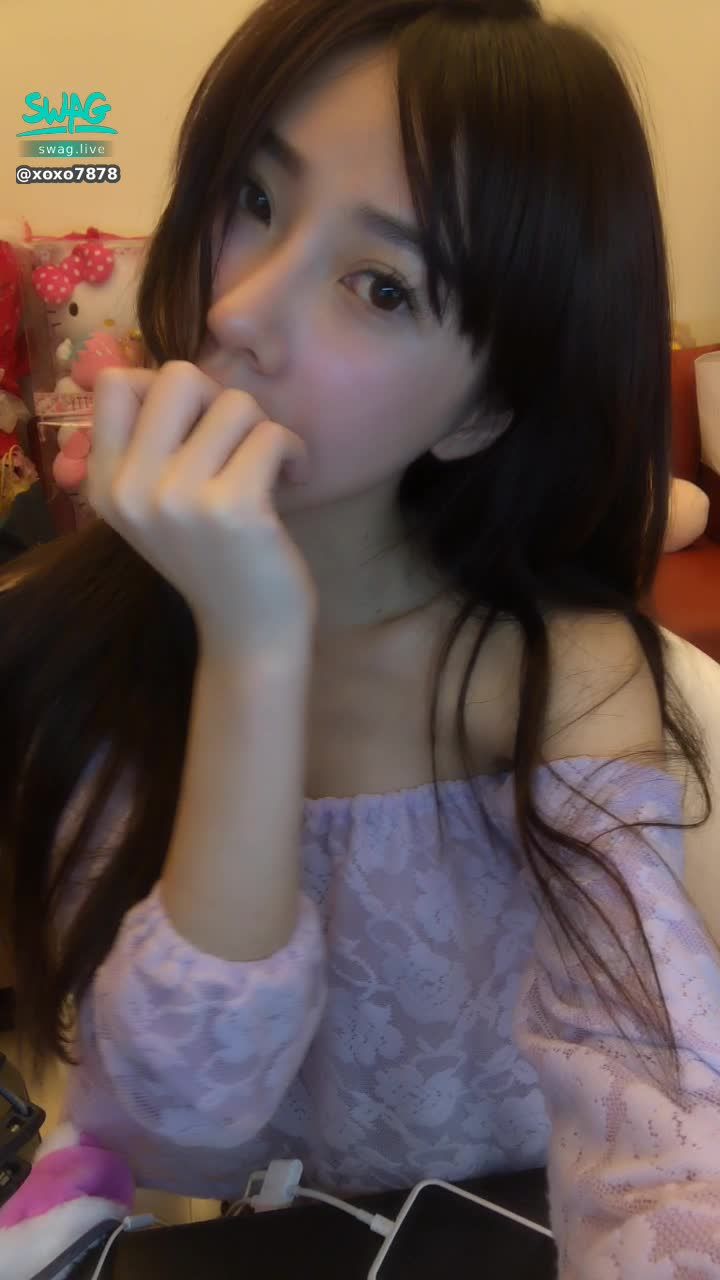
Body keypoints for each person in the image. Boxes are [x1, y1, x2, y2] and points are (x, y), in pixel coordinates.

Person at [1, 0, 720, 1273]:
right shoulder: (70, 636)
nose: (240, 309)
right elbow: (177, 1125)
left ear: (484, 405)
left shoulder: (547, 672)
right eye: (253, 198)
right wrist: (251, 645)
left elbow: (656, 1142)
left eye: (380, 285)